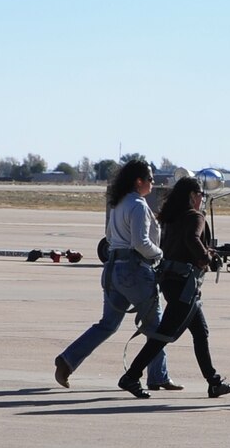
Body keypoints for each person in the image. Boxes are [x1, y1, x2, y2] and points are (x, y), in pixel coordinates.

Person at [52, 158, 173, 391]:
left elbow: (109, 237)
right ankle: (158, 376)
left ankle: (68, 360)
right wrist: (160, 255)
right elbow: (141, 242)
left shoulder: (119, 203)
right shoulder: (138, 205)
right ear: (139, 181)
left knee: (107, 324)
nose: (152, 182)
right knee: (156, 327)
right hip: (135, 270)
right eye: (150, 178)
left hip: (113, 269)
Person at [119, 174, 230, 399]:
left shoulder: (171, 218)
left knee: (200, 332)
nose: (202, 199)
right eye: (201, 195)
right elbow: (192, 239)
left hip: (172, 281)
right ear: (193, 196)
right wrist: (207, 258)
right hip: (185, 285)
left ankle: (213, 382)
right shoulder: (195, 216)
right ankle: (131, 376)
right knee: (164, 334)